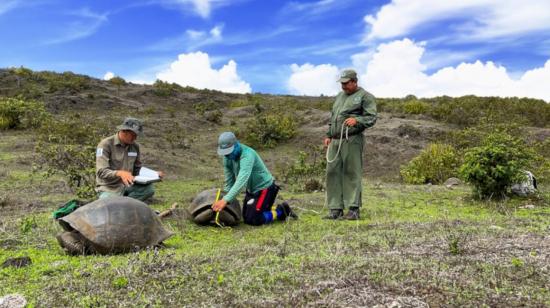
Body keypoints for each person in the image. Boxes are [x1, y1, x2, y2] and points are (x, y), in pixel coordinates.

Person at [324, 69, 377, 220]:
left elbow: (372, 117)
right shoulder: (340, 96)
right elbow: (334, 117)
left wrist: (358, 120)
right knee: (332, 172)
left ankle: (353, 210)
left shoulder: (365, 97)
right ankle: (335, 209)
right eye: (342, 83)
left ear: (354, 82)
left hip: (352, 139)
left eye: (346, 83)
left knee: (351, 172)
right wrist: (329, 135)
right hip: (335, 140)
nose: (343, 86)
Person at [211, 132, 296, 225]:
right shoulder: (227, 158)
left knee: (254, 219)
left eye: (229, 152)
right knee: (245, 216)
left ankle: (281, 211)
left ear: (236, 145)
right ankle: (268, 208)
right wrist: (224, 198)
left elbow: (241, 180)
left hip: (265, 188)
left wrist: (225, 200)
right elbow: (229, 181)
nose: (227, 155)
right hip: (251, 190)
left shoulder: (247, 154)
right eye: (225, 153)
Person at [95, 117, 164, 201]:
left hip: (128, 185)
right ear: (124, 131)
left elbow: (137, 169)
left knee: (149, 190)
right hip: (110, 187)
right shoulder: (105, 144)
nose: (135, 138)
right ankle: (123, 203)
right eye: (133, 135)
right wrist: (120, 173)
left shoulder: (134, 147)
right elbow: (101, 172)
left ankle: (124, 203)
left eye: (136, 135)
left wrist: (153, 174)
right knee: (108, 202)